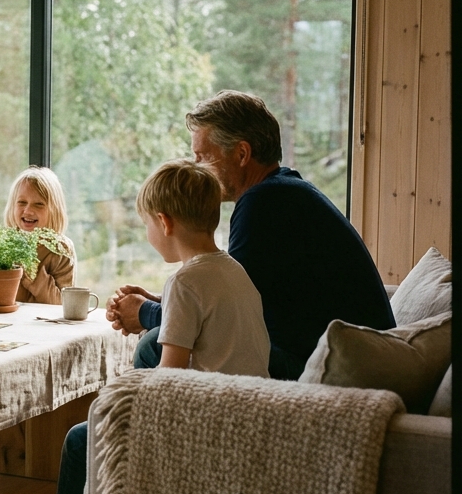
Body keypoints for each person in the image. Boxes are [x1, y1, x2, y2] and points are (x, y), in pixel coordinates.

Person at [10, 158, 270, 494]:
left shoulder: (185, 282)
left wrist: (119, 398)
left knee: (82, 436)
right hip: (242, 408)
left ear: (164, 223)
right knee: (98, 421)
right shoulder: (230, 270)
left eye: (146, 225)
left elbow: (169, 377)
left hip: (206, 417)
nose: (148, 234)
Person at [108, 90, 394, 380]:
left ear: (242, 154)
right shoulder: (282, 193)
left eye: (202, 156)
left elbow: (229, 319)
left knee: (151, 346)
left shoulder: (264, 204)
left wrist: (146, 313)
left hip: (336, 370)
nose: (195, 166)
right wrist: (164, 298)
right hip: (338, 356)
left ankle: (147, 423)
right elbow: (227, 295)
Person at [0, 167, 75, 304]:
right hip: (5, 321)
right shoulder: (1, 244)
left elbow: (63, 305)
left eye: (39, 204)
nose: (28, 211)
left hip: (42, 324)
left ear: (54, 210)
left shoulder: (60, 249)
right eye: (22, 202)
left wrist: (33, 275)